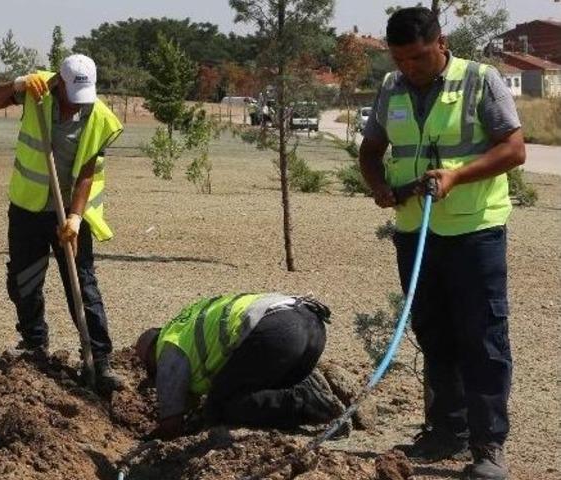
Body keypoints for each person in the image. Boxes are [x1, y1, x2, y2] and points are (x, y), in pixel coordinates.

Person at [358, 7, 525, 480]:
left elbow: (514, 148)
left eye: (418, 57)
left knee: (484, 338)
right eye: (400, 59)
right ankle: (444, 431)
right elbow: (371, 151)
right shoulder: (390, 88)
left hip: (475, 232)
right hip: (416, 233)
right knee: (435, 335)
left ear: (441, 42)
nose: (409, 67)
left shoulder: (480, 79)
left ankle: (488, 446)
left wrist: (456, 176)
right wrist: (379, 187)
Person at [0, 54, 125, 393]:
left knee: (82, 283)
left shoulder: (99, 117)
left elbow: (87, 173)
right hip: (28, 207)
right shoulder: (37, 91)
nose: (76, 106)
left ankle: (100, 360)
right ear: (59, 83)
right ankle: (34, 345)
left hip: (72, 214)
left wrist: (75, 217)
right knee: (24, 279)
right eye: (70, 97)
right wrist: (16, 84)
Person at [134, 293, 344, 440]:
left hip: (277, 332)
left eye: (151, 371)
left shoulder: (168, 349)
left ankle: (310, 403)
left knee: (222, 405)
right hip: (310, 323)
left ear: (151, 357)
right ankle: (308, 386)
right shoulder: (184, 327)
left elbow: (171, 425)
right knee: (248, 386)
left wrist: (151, 440)